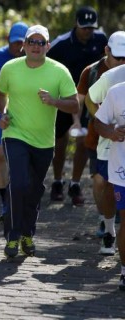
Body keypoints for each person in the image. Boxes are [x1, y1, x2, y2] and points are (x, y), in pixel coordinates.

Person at [0, 25, 78, 258]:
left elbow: (75, 105)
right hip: (15, 134)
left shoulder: (59, 71)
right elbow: (0, 93)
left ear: (48, 47)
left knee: (34, 189)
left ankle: (27, 234)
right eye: (31, 41)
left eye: (41, 42)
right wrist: (3, 114)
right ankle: (12, 236)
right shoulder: (10, 68)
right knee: (19, 183)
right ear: (24, 45)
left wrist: (54, 102)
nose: (35, 46)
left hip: (44, 141)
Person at [47, 6, 108, 205]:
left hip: (89, 98)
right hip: (63, 98)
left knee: (83, 141)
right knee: (60, 142)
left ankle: (75, 184)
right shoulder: (61, 44)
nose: (88, 31)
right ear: (76, 24)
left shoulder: (101, 40)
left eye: (91, 27)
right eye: (84, 27)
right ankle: (57, 181)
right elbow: (46, 67)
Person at [86, 31, 125, 257]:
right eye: (118, 57)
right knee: (108, 188)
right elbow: (90, 99)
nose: (121, 62)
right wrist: (106, 124)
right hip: (109, 146)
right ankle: (109, 229)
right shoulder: (110, 78)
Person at [0, 22, 28, 220]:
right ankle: (5, 201)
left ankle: (18, 198)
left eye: (21, 43)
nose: (18, 47)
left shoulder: (35, 60)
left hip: (25, 116)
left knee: (19, 159)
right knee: (1, 155)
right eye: (14, 43)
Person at [93, 67, 125, 291]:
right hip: (122, 168)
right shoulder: (116, 92)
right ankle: (124, 271)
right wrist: (112, 133)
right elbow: (98, 123)